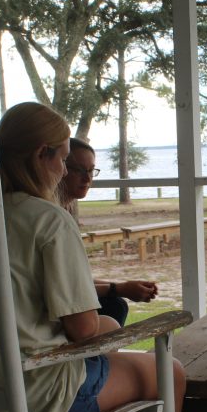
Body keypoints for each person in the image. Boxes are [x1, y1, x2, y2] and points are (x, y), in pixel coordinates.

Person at [0, 102, 204, 412]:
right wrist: (109, 323)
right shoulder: (46, 219)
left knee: (108, 333)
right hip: (29, 396)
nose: (65, 170)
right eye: (63, 159)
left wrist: (106, 324)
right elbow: (82, 328)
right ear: (43, 156)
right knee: (170, 372)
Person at [59, 137, 158, 326]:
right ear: (60, 167)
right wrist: (119, 288)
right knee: (114, 306)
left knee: (115, 304)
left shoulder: (61, 213)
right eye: (78, 170)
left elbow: (78, 280)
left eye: (90, 171)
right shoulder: (52, 220)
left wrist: (124, 287)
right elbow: (69, 289)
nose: (87, 178)